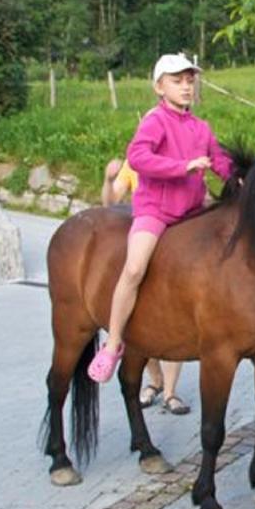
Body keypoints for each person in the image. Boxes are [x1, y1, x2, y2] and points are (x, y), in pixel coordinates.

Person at [87, 53, 232, 384]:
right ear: (159, 87)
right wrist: (182, 167)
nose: (185, 87)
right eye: (176, 81)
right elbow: (138, 157)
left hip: (193, 213)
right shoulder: (154, 120)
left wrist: (242, 179)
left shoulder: (201, 127)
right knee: (135, 267)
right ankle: (112, 344)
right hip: (156, 212)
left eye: (189, 81)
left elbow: (219, 160)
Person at [101, 157, 191, 414]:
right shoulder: (133, 165)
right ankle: (155, 381)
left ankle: (171, 392)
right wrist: (108, 179)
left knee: (175, 316)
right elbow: (110, 203)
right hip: (146, 233)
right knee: (139, 316)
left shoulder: (180, 158)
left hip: (174, 241)